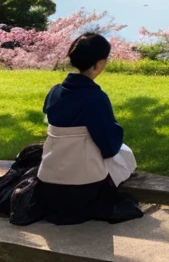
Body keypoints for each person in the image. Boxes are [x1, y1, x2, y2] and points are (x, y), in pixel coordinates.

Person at [35, 32, 143, 224]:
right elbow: (109, 145)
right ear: (99, 64)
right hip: (83, 185)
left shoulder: (55, 92)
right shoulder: (95, 98)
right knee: (124, 154)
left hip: (49, 178)